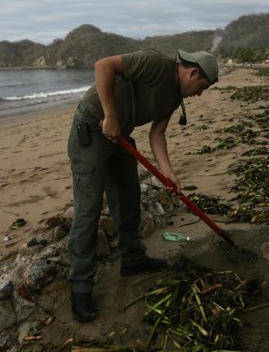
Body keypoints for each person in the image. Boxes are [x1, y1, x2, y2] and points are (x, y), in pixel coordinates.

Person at [66, 48, 218, 322]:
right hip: (92, 126)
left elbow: (157, 134)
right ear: (193, 72)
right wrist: (111, 116)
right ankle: (80, 288)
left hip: (118, 135)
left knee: (128, 197)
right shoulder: (156, 63)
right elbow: (103, 64)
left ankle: (133, 259)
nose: (199, 94)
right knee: (88, 211)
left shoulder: (175, 96)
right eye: (202, 87)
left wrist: (167, 172)